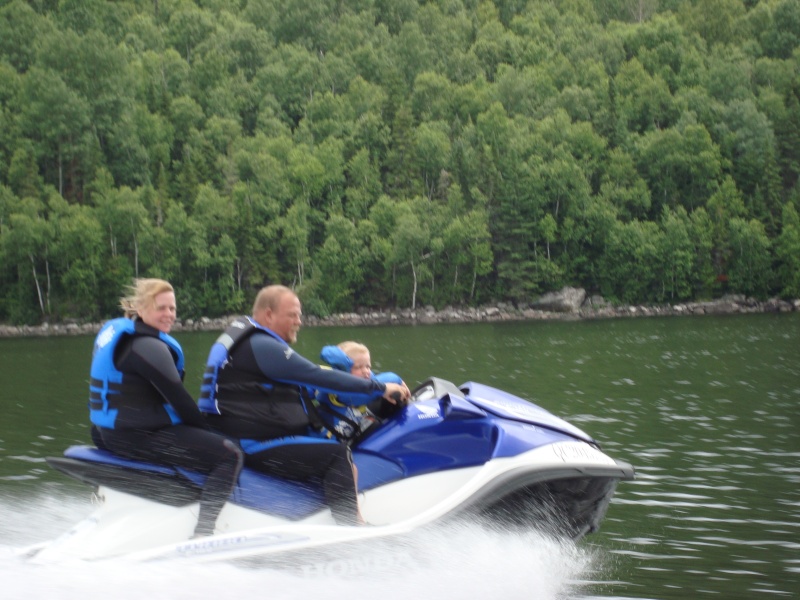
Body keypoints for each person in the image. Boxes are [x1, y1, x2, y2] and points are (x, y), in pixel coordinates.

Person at [198, 284, 410, 525]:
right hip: (253, 444)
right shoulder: (263, 346)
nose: (299, 321)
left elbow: (303, 379)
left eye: (300, 314)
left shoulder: (249, 341)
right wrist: (381, 388)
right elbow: (316, 375)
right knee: (337, 455)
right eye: (293, 315)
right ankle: (351, 528)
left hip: (240, 435)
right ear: (269, 314)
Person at [89, 278, 244, 538]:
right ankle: (204, 533)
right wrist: (214, 433)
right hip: (136, 437)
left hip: (107, 433)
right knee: (229, 454)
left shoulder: (122, 335)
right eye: (162, 308)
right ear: (141, 308)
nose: (169, 314)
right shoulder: (148, 347)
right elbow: (180, 401)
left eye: (172, 308)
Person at [317, 341, 407, 443]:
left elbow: (375, 381)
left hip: (349, 436)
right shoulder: (340, 388)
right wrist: (396, 379)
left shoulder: (366, 378)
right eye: (358, 367)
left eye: (368, 366)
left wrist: (394, 386)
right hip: (327, 443)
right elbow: (368, 388)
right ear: (342, 370)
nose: (366, 371)